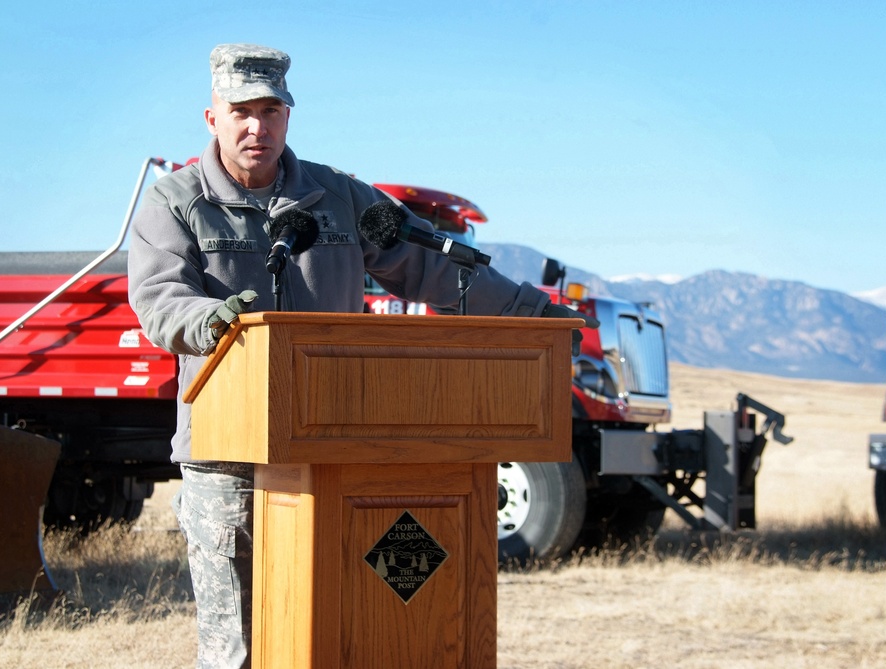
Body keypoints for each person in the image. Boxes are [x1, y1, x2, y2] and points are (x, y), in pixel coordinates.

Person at [127, 43, 587, 668]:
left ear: (289, 116)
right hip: (226, 455)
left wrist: (533, 315)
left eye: (270, 110)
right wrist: (209, 321)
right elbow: (159, 301)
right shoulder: (176, 203)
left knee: (343, 625)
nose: (256, 126)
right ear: (213, 118)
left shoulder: (339, 197)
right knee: (238, 644)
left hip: (339, 454)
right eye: (241, 112)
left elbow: (429, 265)